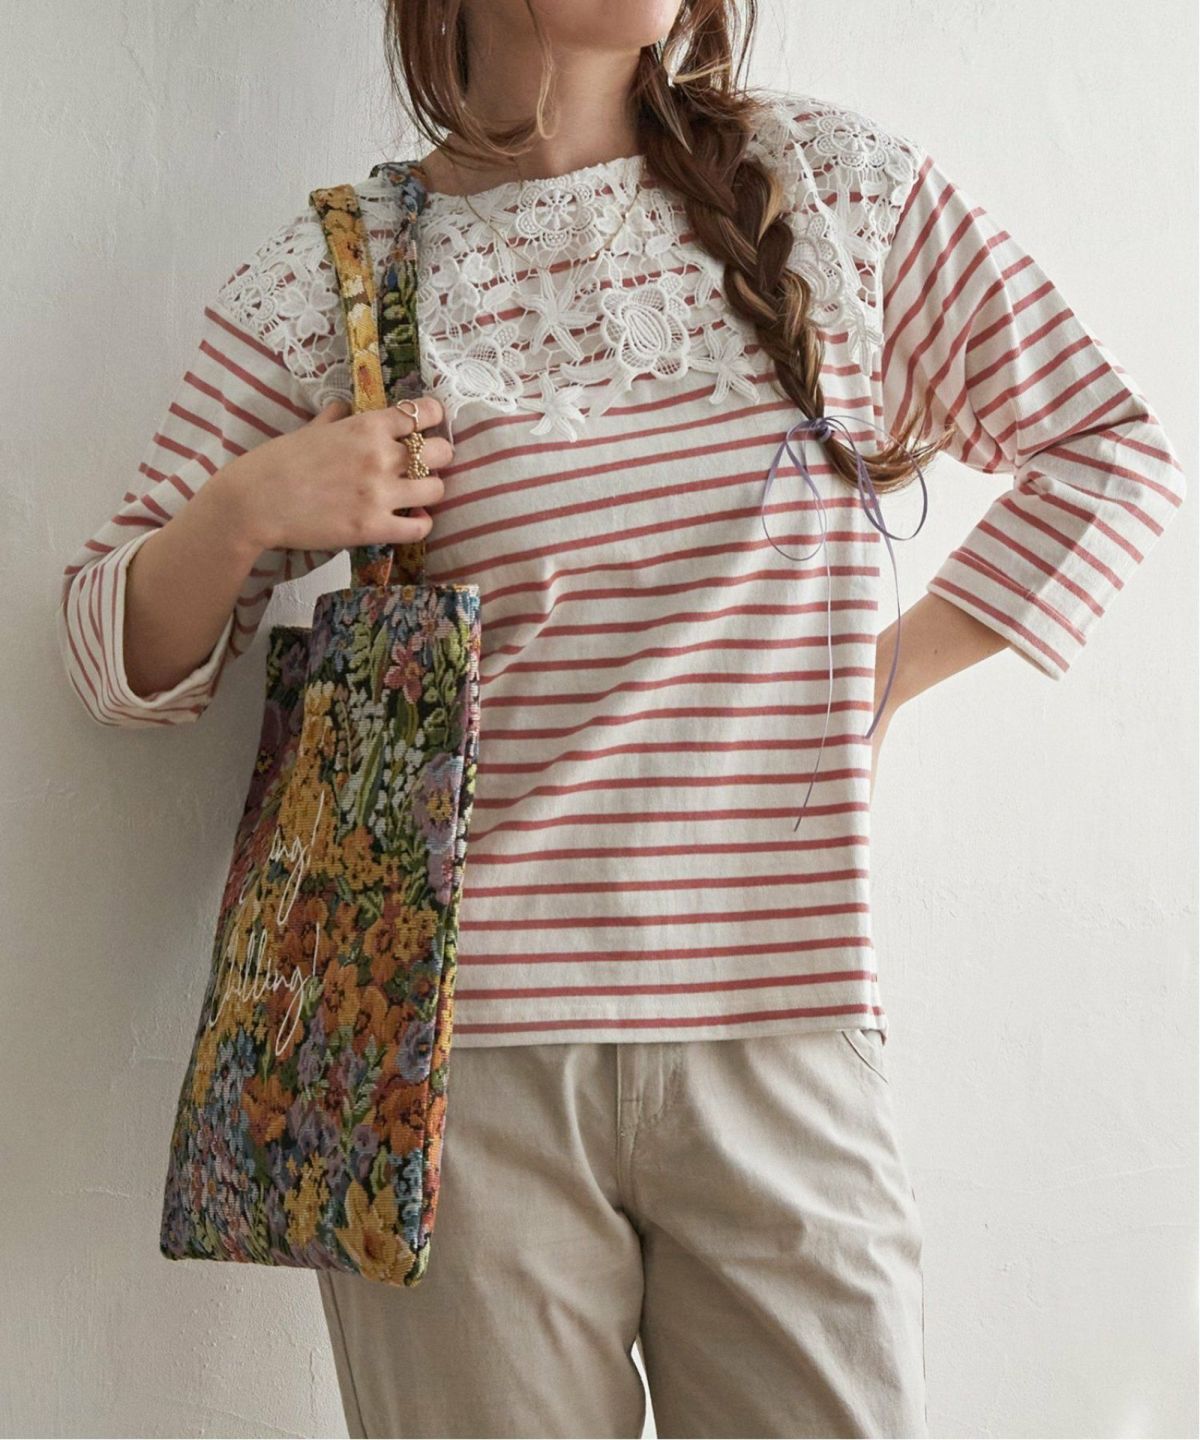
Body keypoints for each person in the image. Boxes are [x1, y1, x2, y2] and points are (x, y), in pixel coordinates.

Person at [56, 2, 1186, 1436]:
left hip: (784, 1029)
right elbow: (113, 656)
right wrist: (246, 510)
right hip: (450, 1078)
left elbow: (1111, 453)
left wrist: (884, 679)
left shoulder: (832, 196)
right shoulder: (340, 276)